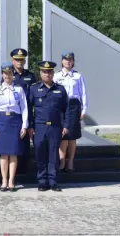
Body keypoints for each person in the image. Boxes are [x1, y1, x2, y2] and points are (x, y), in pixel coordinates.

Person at [28, 61, 70, 192]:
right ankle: (42, 181)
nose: (47, 74)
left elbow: (67, 109)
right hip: (39, 127)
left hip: (55, 127)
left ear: (53, 73)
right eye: (45, 72)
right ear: (40, 73)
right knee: (40, 154)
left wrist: (66, 125)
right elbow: (28, 109)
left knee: (53, 155)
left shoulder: (60, 89)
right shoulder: (34, 89)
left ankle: (53, 181)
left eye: (50, 72)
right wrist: (30, 126)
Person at [0, 63, 29, 192]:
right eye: (5, 73)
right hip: (2, 121)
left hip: (15, 121)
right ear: (2, 74)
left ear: (13, 74)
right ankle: (4, 180)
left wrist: (24, 125)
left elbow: (24, 108)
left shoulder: (19, 89)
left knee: (13, 153)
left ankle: (11, 180)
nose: (8, 76)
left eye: (10, 73)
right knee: (4, 154)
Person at [53, 51, 88, 172]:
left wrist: (84, 109)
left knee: (72, 135)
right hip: (61, 105)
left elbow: (83, 93)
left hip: (74, 106)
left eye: (70, 60)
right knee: (62, 134)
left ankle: (70, 161)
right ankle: (62, 160)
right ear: (62, 61)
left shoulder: (78, 76)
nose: (68, 62)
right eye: (66, 59)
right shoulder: (56, 76)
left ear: (73, 61)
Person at [10, 48, 36, 173]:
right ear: (13, 61)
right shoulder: (9, 75)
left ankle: (24, 169)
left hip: (27, 112)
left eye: (21, 60)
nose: (19, 62)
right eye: (17, 60)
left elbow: (34, 96)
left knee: (25, 143)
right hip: (14, 113)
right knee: (14, 142)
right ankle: (14, 170)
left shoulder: (30, 76)